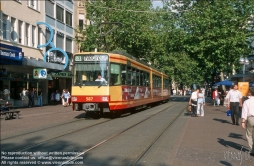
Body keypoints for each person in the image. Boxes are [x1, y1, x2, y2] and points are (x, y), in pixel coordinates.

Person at [241, 88, 254, 156]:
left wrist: (243, 122)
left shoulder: (247, 102)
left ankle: (252, 149)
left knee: (249, 134)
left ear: (250, 93)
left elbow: (244, 112)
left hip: (250, 118)